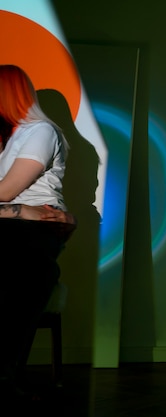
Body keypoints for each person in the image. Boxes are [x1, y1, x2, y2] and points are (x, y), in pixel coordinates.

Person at [0, 64, 76, 406]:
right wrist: (18, 210)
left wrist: (19, 211)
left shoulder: (39, 131)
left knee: (30, 269)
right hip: (14, 223)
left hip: (32, 229)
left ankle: (4, 374)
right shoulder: (8, 136)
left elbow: (6, 190)